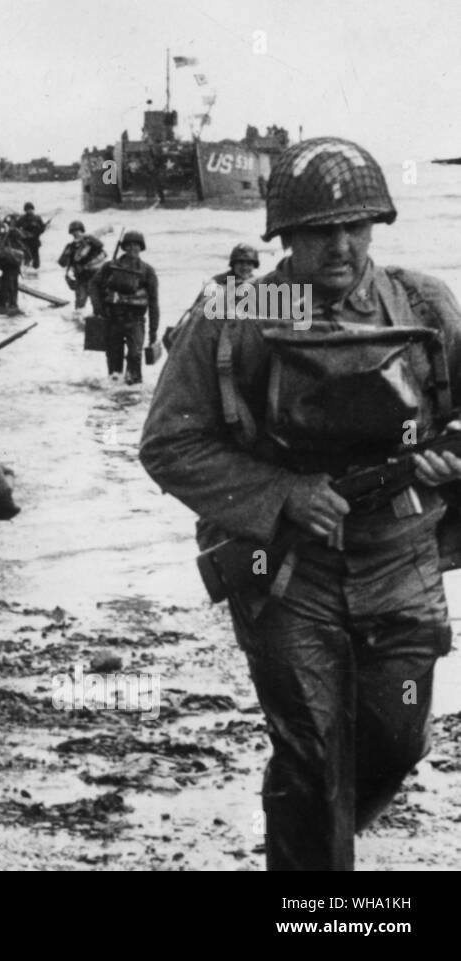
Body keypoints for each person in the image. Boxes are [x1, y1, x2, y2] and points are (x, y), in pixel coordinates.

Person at [140, 137, 461, 872]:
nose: (341, 245)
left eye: (357, 225)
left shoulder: (423, 305)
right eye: (320, 230)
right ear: (284, 235)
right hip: (286, 570)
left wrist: (450, 451)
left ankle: (310, 824)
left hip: (400, 558)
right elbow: (168, 444)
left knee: (397, 740)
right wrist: (285, 494)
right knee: (313, 751)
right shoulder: (236, 317)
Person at [163, 243, 262, 351]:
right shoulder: (217, 281)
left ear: (254, 265)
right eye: (241, 263)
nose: (245, 267)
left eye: (249, 264)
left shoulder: (257, 283)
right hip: (217, 328)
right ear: (233, 264)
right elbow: (199, 307)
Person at [90, 230, 159, 384]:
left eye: (136, 245)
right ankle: (115, 395)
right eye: (129, 245)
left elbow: (154, 302)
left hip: (136, 321)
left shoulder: (147, 271)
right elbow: (94, 284)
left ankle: (132, 392)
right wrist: (98, 307)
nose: (132, 249)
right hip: (112, 320)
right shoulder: (110, 267)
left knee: (135, 356)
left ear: (141, 248)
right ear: (124, 247)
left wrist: (153, 332)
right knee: (114, 361)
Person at [58, 220, 108, 312]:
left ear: (82, 231)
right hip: (81, 278)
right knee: (79, 306)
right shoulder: (70, 247)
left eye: (78, 231)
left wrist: (89, 237)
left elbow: (100, 245)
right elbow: (61, 263)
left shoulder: (91, 243)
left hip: (95, 277)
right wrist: (67, 254)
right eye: (73, 232)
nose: (76, 233)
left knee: (97, 303)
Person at [0, 225, 28, 315]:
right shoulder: (17, 244)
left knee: (7, 288)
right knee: (11, 288)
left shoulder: (5, 244)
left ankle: (6, 306)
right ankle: (10, 305)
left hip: (8, 270)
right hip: (11, 270)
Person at [15, 202, 46, 270]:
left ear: (33, 209)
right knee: (27, 259)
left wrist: (42, 229)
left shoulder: (37, 218)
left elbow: (42, 229)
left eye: (30, 209)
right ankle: (27, 272)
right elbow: (16, 227)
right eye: (27, 209)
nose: (29, 211)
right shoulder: (22, 218)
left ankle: (34, 272)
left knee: (36, 262)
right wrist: (22, 234)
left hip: (35, 241)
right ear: (25, 210)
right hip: (26, 242)